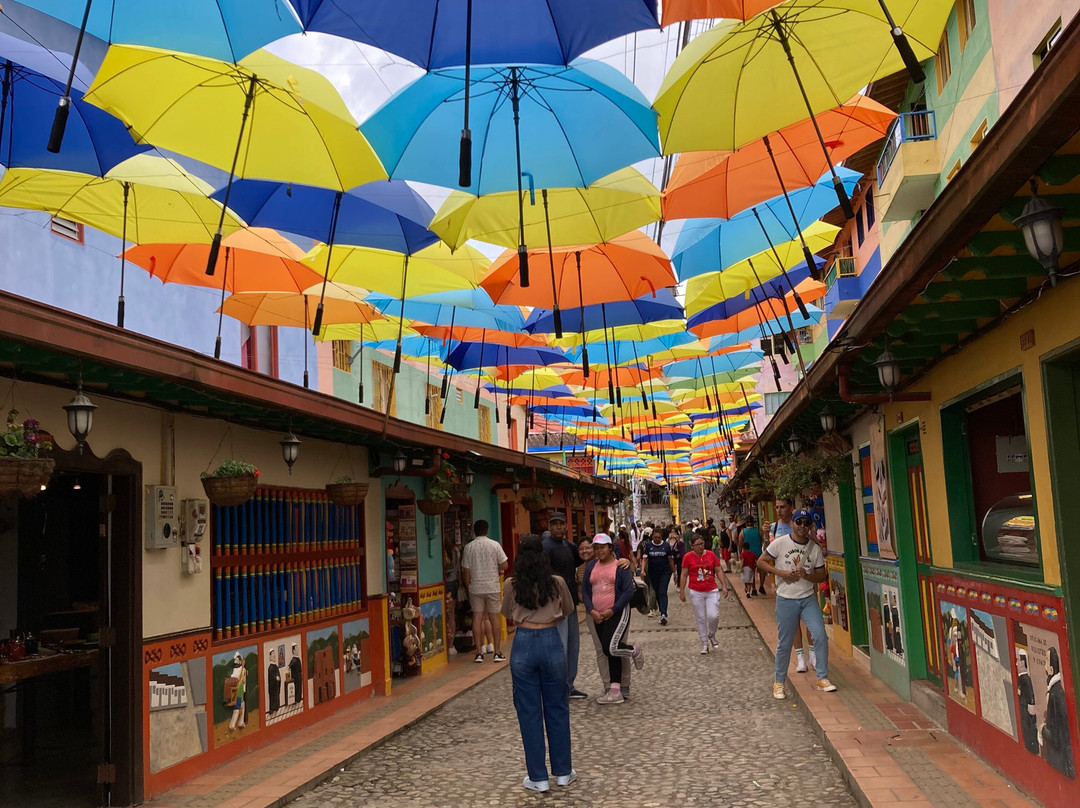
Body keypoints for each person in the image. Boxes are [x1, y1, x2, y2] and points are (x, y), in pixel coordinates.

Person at [500, 534, 577, 793]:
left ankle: (538, 777)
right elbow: (567, 609)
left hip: (523, 643)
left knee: (528, 712)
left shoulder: (512, 584)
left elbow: (507, 613)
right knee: (557, 707)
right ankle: (564, 772)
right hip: (550, 640)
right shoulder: (557, 582)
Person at [757, 509, 835, 697]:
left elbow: (821, 575)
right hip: (786, 599)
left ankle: (822, 677)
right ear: (792, 523)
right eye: (798, 522)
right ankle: (779, 681)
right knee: (784, 643)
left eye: (805, 523)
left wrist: (807, 575)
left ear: (810, 526)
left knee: (820, 636)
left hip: (807, 598)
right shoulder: (780, 543)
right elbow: (761, 562)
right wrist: (781, 574)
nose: (802, 526)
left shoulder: (814, 549)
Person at [581, 534, 645, 704]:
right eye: (596, 547)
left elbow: (627, 592)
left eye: (602, 547)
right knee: (607, 650)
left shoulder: (620, 566)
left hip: (617, 613)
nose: (599, 551)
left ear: (610, 548)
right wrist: (591, 610)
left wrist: (612, 609)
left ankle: (633, 651)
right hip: (597, 614)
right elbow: (586, 591)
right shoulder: (591, 566)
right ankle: (615, 691)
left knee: (611, 647)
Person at [541, 511, 587, 700]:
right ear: (550, 527)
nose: (559, 527)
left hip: (571, 604)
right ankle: (558, 686)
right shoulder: (545, 547)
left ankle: (569, 684)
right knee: (560, 645)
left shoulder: (570, 546)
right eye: (555, 524)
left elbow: (584, 559)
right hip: (555, 605)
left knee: (573, 645)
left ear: (566, 526)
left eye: (562, 524)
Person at [461, 519, 508, 663]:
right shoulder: (495, 545)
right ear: (487, 530)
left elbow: (466, 570)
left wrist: (468, 585)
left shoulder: (468, 547)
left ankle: (478, 652)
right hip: (492, 586)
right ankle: (497, 652)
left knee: (477, 618)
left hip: (475, 587)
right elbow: (504, 565)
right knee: (494, 618)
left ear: (474, 531)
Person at [679, 534, 730, 654]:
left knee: (713, 616)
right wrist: (682, 591)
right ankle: (704, 643)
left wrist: (724, 585)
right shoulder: (687, 557)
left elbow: (718, 569)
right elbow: (684, 574)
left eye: (701, 544)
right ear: (692, 546)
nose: (700, 547)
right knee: (701, 618)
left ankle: (711, 634)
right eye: (697, 545)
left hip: (711, 590)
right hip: (696, 591)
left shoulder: (710, 555)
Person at [1041, 646, 1074, 777]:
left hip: (1060, 761)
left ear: (1051, 669)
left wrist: (1043, 729)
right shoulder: (1055, 692)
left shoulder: (1056, 694)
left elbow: (1057, 737)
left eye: (1046, 661)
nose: (1044, 666)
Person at [640, 526, 676, 625]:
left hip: (665, 572)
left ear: (661, 537)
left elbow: (670, 560)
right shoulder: (648, 546)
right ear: (652, 537)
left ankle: (664, 614)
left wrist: (674, 573)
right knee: (657, 591)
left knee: (662, 591)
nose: (656, 539)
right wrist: (642, 570)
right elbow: (644, 559)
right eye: (655, 537)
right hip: (653, 572)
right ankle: (661, 611)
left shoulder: (666, 546)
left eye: (658, 537)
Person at [1017, 650, 1039, 754]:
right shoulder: (1021, 678)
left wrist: (1031, 704)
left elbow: (1030, 692)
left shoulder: (1025, 679)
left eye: (1018, 661)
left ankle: (1032, 746)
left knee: (1029, 727)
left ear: (1022, 662)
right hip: (1024, 708)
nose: (1017, 663)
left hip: (1027, 709)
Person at [228, 651, 248, 731]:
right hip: (238, 690)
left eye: (237, 660)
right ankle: (232, 724)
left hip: (239, 690)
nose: (236, 662)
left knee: (242, 704)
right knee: (237, 707)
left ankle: (241, 721)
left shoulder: (239, 670)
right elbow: (243, 680)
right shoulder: (239, 670)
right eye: (235, 660)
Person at [267, 648, 281, 715]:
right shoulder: (270, 668)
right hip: (272, 687)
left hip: (276, 686)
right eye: (272, 655)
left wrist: (278, 678)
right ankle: (272, 708)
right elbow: (271, 677)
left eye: (274, 655)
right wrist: (275, 678)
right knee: (273, 697)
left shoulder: (275, 666)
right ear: (270, 657)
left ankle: (276, 707)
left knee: (276, 696)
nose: (274, 656)